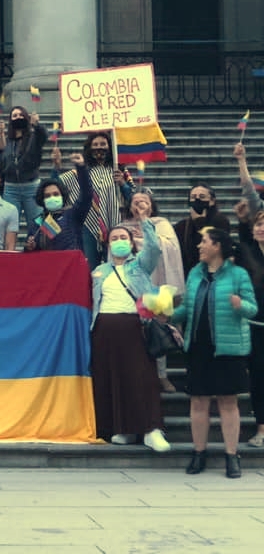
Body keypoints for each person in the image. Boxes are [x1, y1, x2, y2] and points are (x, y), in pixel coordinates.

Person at [171, 227, 257, 478]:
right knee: (198, 401)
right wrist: (167, 313)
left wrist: (241, 305)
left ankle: (232, 455)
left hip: (228, 348)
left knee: (228, 402)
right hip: (198, 347)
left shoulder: (238, 274)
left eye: (204, 242)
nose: (199, 246)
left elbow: (252, 309)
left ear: (217, 246)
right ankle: (199, 453)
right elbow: (186, 308)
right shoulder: (195, 275)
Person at [90, 220, 170, 453]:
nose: (119, 242)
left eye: (123, 238)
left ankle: (151, 429)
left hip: (136, 327)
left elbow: (154, 249)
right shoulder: (99, 271)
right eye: (114, 238)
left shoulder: (140, 265)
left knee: (141, 378)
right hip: (104, 329)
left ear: (132, 242)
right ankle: (122, 428)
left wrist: (145, 225)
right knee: (113, 378)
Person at [123, 189, 187, 393]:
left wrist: (146, 230)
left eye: (144, 201)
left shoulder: (161, 224)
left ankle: (162, 375)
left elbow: (169, 248)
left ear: (152, 206)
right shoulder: (123, 226)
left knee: (158, 328)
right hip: (133, 283)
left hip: (158, 282)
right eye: (136, 201)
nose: (140, 204)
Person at [55, 132, 133, 268]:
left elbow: (133, 197)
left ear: (110, 147)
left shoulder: (120, 170)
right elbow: (57, 184)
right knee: (90, 266)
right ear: (89, 148)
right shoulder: (80, 172)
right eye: (95, 144)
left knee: (116, 264)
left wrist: (122, 184)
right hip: (88, 226)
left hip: (114, 223)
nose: (99, 147)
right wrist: (56, 167)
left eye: (103, 144)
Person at [234, 142, 264, 447]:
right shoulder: (248, 250)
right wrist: (242, 162)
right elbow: (251, 198)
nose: (261, 227)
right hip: (256, 326)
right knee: (258, 375)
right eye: (258, 224)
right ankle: (262, 428)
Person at [24, 153, 92, 253]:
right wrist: (30, 247)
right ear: (42, 200)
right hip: (48, 266)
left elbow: (87, 195)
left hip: (71, 264)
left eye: (56, 194)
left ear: (62, 196)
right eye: (47, 196)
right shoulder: (38, 222)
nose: (52, 197)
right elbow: (29, 253)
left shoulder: (73, 214)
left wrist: (81, 168)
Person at [0, 106, 48, 231]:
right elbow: (1, 152)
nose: (18, 118)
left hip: (32, 187)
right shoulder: (8, 140)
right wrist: (0, 133)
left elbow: (43, 136)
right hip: (11, 188)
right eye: (14, 116)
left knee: (38, 224)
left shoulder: (33, 136)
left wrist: (36, 124)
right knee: (8, 226)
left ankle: (37, 248)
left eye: (21, 115)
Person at [173, 183, 231, 275]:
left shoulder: (221, 222)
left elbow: (217, 246)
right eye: (193, 197)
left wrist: (200, 222)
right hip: (190, 275)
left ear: (212, 201)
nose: (197, 200)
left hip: (216, 273)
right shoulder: (182, 226)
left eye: (202, 197)